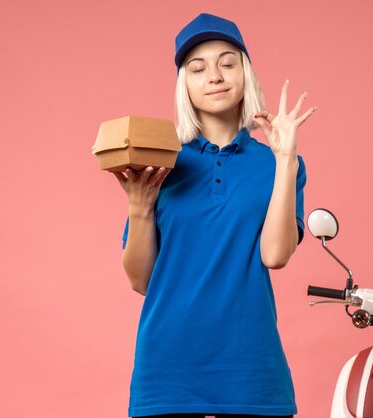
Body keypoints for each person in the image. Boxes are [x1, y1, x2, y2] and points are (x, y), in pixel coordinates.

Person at [113, 13, 315, 418]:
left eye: (227, 63)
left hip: (252, 370)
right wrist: (139, 206)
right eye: (197, 68)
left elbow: (275, 256)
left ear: (245, 74)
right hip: (166, 372)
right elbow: (140, 281)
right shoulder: (162, 161)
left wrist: (285, 158)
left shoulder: (276, 163)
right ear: (184, 85)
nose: (215, 76)